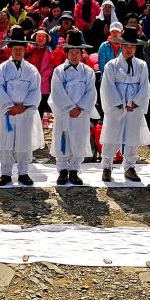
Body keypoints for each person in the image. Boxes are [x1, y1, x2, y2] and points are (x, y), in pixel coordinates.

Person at [0, 29, 44, 187]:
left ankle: (23, 173)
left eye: (21, 49)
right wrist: (9, 105)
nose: (18, 51)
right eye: (15, 49)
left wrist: (24, 106)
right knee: (5, 142)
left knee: (24, 142)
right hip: (6, 111)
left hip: (24, 112)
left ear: (25, 50)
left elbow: (35, 90)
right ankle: (5, 173)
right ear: (10, 49)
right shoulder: (2, 69)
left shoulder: (32, 70)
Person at [100, 27, 150, 182]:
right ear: (121, 46)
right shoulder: (111, 65)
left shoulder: (142, 65)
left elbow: (145, 87)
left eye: (132, 46)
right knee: (112, 135)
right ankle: (107, 166)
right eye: (126, 46)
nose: (129, 49)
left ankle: (129, 166)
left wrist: (135, 102)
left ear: (136, 47)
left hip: (134, 106)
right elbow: (107, 87)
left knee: (132, 136)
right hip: (116, 106)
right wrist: (119, 104)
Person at [48, 30, 97, 185]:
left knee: (79, 139)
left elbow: (91, 92)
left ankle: (74, 170)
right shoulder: (59, 71)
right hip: (64, 113)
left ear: (82, 53)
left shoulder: (88, 71)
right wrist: (69, 107)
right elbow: (57, 92)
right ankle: (62, 170)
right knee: (63, 139)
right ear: (66, 53)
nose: (74, 55)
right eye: (71, 52)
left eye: (77, 52)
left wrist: (80, 107)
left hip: (81, 114)